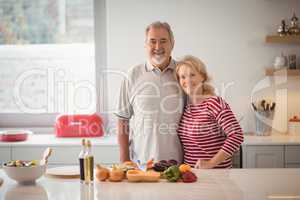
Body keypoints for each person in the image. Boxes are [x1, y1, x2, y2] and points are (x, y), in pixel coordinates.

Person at [115, 21, 184, 163]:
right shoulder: (132, 75)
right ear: (146, 45)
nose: (158, 47)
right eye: (152, 41)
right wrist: (125, 161)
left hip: (179, 164)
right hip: (141, 164)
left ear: (172, 44)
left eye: (163, 41)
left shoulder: (184, 73)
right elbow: (122, 120)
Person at [175, 55, 243, 168]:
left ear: (202, 77)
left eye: (192, 75)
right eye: (182, 77)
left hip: (216, 175)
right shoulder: (186, 108)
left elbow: (237, 135)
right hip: (191, 176)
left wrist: (211, 163)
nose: (187, 80)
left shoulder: (214, 103)